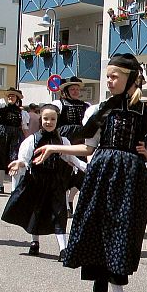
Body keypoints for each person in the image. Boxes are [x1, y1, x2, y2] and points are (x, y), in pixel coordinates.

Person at [33, 54, 147, 292]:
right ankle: (114, 289)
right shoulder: (100, 110)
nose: (108, 81)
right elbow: (89, 148)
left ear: (130, 78)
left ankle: (111, 283)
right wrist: (54, 147)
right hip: (103, 173)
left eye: (113, 76)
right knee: (102, 226)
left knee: (123, 230)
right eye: (107, 76)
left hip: (131, 177)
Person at [1, 104, 86, 260]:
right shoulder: (32, 140)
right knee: (37, 212)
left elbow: (73, 159)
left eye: (53, 119)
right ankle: (35, 243)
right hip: (36, 181)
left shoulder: (63, 141)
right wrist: (19, 163)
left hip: (56, 182)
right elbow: (24, 159)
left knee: (59, 214)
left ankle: (63, 249)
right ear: (41, 119)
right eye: (46, 118)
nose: (49, 122)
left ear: (57, 120)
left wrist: (89, 168)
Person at [52, 77, 91, 216]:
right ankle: (64, 203)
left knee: (80, 173)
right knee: (64, 172)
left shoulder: (86, 105)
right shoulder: (59, 103)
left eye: (77, 89)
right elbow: (52, 120)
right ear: (66, 91)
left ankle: (70, 199)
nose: (75, 91)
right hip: (65, 140)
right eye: (72, 89)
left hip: (81, 142)